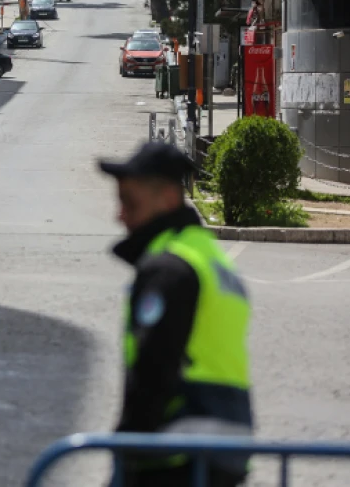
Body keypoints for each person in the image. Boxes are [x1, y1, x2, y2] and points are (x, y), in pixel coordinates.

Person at [97, 142, 254, 487]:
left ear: (167, 198)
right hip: (227, 449)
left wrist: (126, 453)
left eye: (129, 202)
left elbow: (153, 370)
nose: (119, 215)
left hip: (176, 453)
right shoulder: (210, 257)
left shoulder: (168, 268)